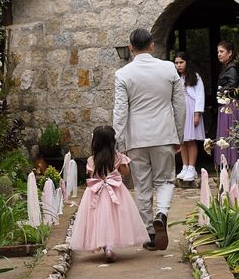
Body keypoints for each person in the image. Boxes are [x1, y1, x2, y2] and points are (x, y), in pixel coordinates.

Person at [113, 28, 186, 251]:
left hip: (136, 138)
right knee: (165, 180)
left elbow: (120, 111)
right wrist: (179, 135)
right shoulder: (169, 69)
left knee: (142, 186)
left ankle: (150, 233)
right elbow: (180, 106)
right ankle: (162, 213)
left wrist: (119, 142)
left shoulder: (123, 74)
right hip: (164, 134)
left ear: (131, 48)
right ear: (152, 45)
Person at [70, 125, 149, 263]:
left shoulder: (91, 160)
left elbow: (91, 175)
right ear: (113, 142)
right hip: (116, 191)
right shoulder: (118, 157)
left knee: (98, 219)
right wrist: (115, 172)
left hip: (96, 192)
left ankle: (105, 244)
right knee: (115, 219)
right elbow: (126, 173)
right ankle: (109, 247)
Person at [174, 51, 206, 181]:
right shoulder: (178, 78)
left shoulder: (195, 77)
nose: (179, 65)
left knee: (191, 140)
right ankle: (185, 166)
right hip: (182, 110)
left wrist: (197, 113)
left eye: (181, 62)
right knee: (183, 140)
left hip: (192, 109)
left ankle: (192, 167)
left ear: (187, 62)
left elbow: (199, 95)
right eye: (176, 63)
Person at [215, 40, 239, 168]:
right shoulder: (227, 67)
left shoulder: (232, 67)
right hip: (228, 104)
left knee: (230, 135)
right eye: (218, 52)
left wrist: (220, 92)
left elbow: (233, 85)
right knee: (228, 136)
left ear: (230, 53)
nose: (219, 54)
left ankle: (234, 165)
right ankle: (228, 166)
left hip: (232, 106)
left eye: (222, 51)